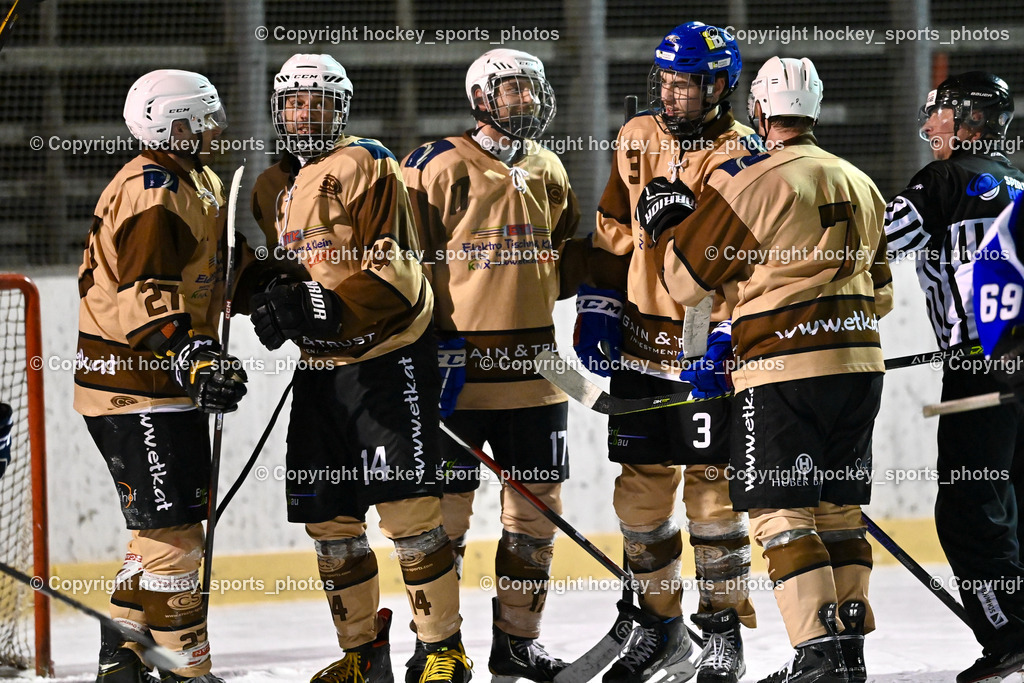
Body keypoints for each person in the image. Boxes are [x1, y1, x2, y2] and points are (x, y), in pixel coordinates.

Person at [640, 56, 892, 683]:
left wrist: (674, 227)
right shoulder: (860, 181)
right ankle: (848, 652)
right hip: (860, 364)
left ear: (758, 109)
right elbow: (883, 289)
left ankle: (816, 653)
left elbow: (686, 281)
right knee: (838, 512)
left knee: (782, 514)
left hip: (782, 370)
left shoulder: (753, 181)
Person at [249, 53, 469, 683]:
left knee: (408, 511)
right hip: (320, 374)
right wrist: (272, 303)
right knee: (329, 517)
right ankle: (362, 652)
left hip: (385, 360)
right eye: (293, 103)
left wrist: (320, 308)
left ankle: (441, 651)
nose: (303, 114)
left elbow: (397, 271)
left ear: (339, 108)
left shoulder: (365, 160)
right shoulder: (272, 186)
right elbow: (288, 276)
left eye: (316, 102)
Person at [571, 22, 760, 683]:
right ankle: (659, 629)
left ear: (719, 85)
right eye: (668, 81)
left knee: (713, 501)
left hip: (701, 339)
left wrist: (722, 337)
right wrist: (598, 304)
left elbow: (745, 258)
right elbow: (611, 228)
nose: (673, 94)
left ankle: (722, 633)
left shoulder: (744, 153)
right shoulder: (635, 138)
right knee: (640, 501)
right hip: (639, 342)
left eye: (688, 83)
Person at [401, 48, 579, 683]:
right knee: (443, 518)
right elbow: (404, 265)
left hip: (536, 375)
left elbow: (559, 256)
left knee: (534, 519)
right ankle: (436, 647)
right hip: (460, 375)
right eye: (513, 91)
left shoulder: (550, 166)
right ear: (481, 96)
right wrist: (422, 353)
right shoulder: (433, 165)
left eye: (532, 89)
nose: (528, 100)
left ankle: (517, 643)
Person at [75, 69, 248, 682]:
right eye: (199, 119)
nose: (213, 128)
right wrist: (195, 355)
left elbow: (218, 265)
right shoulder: (152, 191)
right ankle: (186, 672)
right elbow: (146, 296)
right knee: (174, 538)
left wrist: (280, 288)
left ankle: (122, 657)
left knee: (159, 529)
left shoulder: (191, 178)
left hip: (157, 386)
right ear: (165, 123)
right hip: (134, 386)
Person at [887, 71, 1024, 683]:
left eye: (940, 113)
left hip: (982, 370)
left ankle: (1008, 633)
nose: (930, 124)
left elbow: (874, 244)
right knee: (1014, 498)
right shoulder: (1020, 186)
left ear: (968, 119)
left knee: (971, 506)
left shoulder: (941, 178)